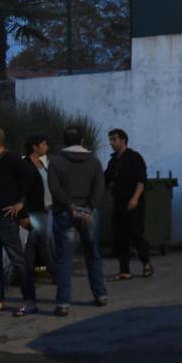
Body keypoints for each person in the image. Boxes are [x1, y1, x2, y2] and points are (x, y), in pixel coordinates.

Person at [47, 126, 109, 317]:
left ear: (64, 141)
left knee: (65, 259)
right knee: (93, 254)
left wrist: (71, 206)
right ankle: (100, 295)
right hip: (89, 213)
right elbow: (100, 186)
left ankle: (63, 303)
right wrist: (88, 208)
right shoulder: (94, 161)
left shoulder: (56, 162)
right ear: (82, 141)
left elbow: (54, 188)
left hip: (65, 213)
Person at [0, 127, 38, 317]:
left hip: (5, 220)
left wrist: (21, 204)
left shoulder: (11, 159)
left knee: (18, 261)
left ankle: (30, 301)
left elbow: (32, 177)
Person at [105, 128, 150, 281]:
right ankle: (124, 269)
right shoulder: (113, 161)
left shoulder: (134, 157)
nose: (111, 142)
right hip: (118, 202)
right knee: (120, 236)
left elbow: (141, 180)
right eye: (110, 140)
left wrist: (135, 199)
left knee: (136, 234)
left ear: (123, 140)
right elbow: (106, 179)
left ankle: (146, 263)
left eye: (114, 139)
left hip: (133, 202)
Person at [21, 134, 55, 282]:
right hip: (34, 209)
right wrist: (24, 213)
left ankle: (24, 275)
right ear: (35, 147)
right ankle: (56, 274)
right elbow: (22, 190)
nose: (46, 147)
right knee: (43, 243)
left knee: (34, 243)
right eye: (43, 144)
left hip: (45, 208)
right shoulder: (25, 165)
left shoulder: (43, 165)